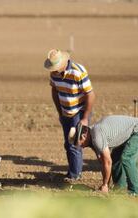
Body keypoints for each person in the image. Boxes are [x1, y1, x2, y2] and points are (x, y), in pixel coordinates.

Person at [45, 49, 95, 180]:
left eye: (56, 67)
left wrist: (85, 118)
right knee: (68, 143)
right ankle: (72, 172)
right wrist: (60, 112)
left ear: (63, 63)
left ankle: (74, 175)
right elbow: (55, 91)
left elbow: (90, 94)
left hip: (80, 111)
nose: (54, 71)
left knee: (74, 144)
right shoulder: (54, 74)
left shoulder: (78, 71)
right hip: (65, 112)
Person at [69, 115, 138, 195]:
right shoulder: (92, 132)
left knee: (127, 158)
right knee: (115, 157)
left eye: (79, 143)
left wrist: (105, 185)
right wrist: (105, 184)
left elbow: (107, 162)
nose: (81, 147)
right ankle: (120, 188)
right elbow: (103, 161)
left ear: (83, 136)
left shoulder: (97, 137)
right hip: (129, 134)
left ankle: (135, 192)